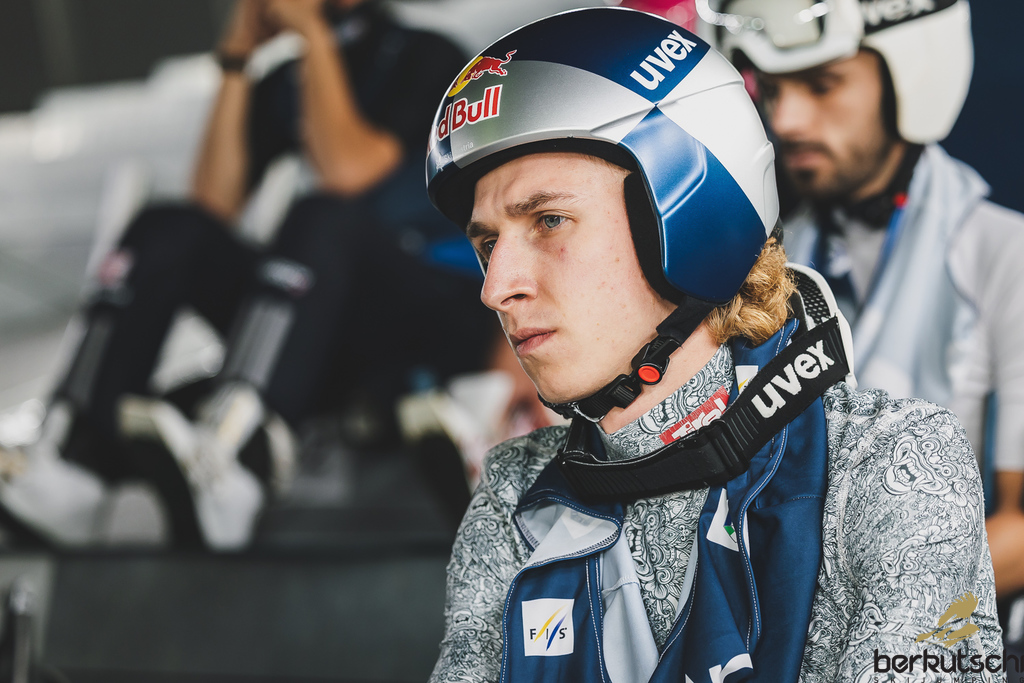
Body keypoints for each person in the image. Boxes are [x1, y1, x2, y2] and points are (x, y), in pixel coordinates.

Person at [423, 8, 1003, 682]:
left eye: (549, 220)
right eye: (488, 243)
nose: (496, 288)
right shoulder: (514, 495)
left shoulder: (890, 464)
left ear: (692, 214)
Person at [0, 0, 493, 550]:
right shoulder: (288, 79)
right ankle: (74, 460)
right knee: (167, 228)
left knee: (322, 218)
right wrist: (235, 61)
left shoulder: (429, 57)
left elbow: (350, 172)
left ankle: (240, 460)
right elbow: (212, 205)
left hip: (428, 314)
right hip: (325, 322)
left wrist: (309, 33)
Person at [700, 0, 1024, 631]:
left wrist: (855, 614)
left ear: (914, 77)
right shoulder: (754, 256)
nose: (786, 120)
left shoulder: (1004, 257)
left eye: (823, 85)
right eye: (774, 89)